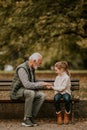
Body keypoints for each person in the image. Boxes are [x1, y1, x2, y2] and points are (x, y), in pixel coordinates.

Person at [10, 52, 51, 127]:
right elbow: (27, 84)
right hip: (17, 91)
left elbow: (33, 82)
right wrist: (41, 84)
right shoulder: (22, 68)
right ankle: (26, 119)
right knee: (30, 93)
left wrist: (44, 84)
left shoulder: (32, 68)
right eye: (40, 62)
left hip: (26, 90)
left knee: (42, 95)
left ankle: (31, 117)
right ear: (34, 61)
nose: (40, 65)